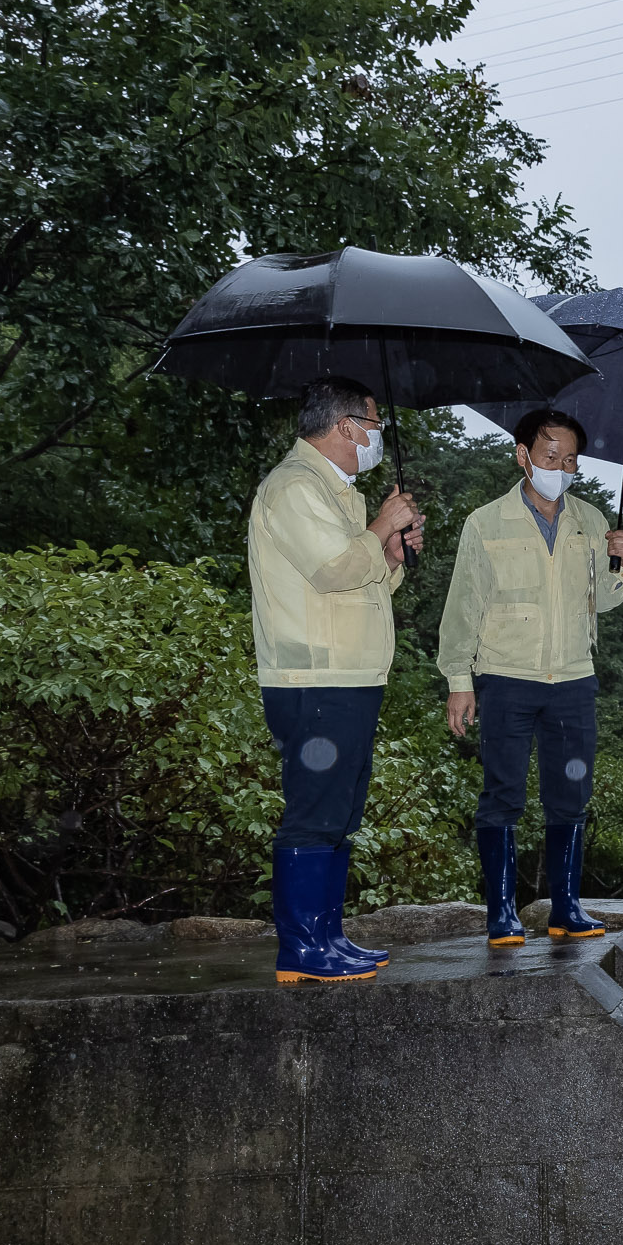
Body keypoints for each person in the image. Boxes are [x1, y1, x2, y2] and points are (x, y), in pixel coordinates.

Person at [248, 377, 424, 984]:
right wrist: (380, 528)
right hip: (313, 677)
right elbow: (330, 570)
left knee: (341, 810)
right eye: (372, 425)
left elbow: (361, 579)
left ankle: (329, 936)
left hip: (349, 675)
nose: (376, 436)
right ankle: (300, 949)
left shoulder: (338, 492)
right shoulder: (296, 487)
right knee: (314, 811)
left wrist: (392, 556)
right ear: (345, 426)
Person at [438, 407, 623, 944]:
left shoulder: (591, 522)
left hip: (572, 678)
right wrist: (459, 679)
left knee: (571, 793)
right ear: (523, 455)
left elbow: (608, 604)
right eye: (551, 455)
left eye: (571, 458)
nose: (562, 466)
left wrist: (622, 562)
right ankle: (501, 913)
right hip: (505, 675)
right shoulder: (485, 522)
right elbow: (463, 606)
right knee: (502, 794)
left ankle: (565, 908)